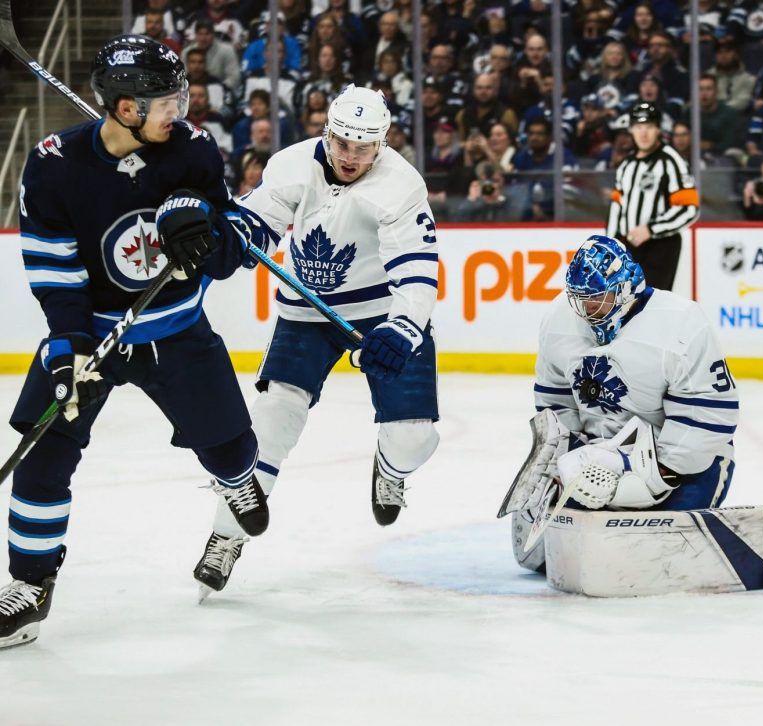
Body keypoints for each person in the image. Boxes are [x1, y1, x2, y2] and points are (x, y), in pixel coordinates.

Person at [0, 35, 271, 650]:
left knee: (230, 447)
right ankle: (30, 585)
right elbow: (55, 273)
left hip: (176, 331)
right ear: (126, 109)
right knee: (41, 458)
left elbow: (229, 247)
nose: (180, 108)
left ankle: (235, 476)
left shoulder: (192, 150)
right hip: (92, 339)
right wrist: (66, 351)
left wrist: (200, 225)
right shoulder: (53, 166)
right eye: (167, 100)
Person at [192, 85, 440, 598]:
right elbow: (256, 224)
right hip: (305, 313)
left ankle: (391, 468)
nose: (348, 157)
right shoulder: (290, 164)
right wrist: (229, 241)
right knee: (274, 420)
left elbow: (416, 272)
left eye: (362, 147)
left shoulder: (402, 185)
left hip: (380, 315)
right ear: (326, 132)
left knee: (413, 434)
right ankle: (225, 536)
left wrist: (402, 327)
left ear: (383, 144)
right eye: (340, 142)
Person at [504, 235, 738, 574]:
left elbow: (709, 416)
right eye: (580, 300)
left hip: (683, 465)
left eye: (598, 298)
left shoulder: (681, 322)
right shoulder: (558, 320)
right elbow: (554, 403)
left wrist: (644, 479)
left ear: (626, 289)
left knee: (653, 560)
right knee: (543, 559)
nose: (587, 310)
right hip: (598, 456)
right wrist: (566, 461)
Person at [605, 102, 699, 291]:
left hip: (661, 246)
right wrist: (610, 247)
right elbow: (616, 209)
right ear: (631, 130)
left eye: (649, 127)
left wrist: (651, 229)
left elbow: (689, 208)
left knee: (652, 306)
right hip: (628, 246)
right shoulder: (626, 166)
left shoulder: (671, 161)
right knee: (624, 306)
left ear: (658, 130)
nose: (643, 133)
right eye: (639, 127)